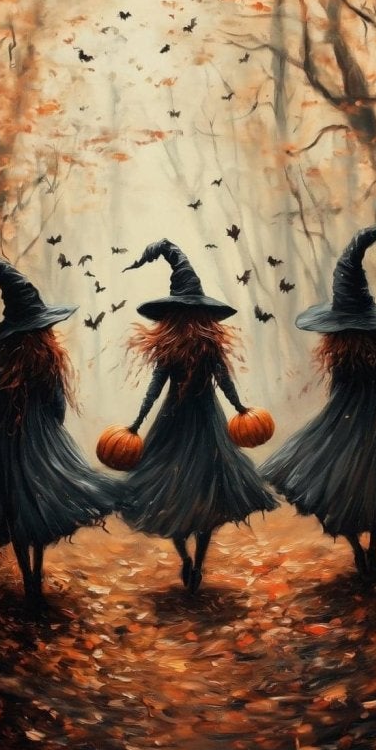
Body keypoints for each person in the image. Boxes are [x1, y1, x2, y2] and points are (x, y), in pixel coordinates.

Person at [264, 227, 376, 579]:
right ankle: (370, 548)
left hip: (359, 421)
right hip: (375, 419)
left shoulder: (344, 352)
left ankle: (363, 549)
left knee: (351, 484)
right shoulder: (369, 349)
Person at [0, 253, 119, 604]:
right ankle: (35, 571)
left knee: (12, 506)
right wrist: (53, 431)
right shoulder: (48, 357)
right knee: (37, 503)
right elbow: (57, 401)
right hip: (39, 436)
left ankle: (28, 578)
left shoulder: (4, 356)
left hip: (2, 437)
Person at [111, 238, 275, 590]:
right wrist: (238, 407)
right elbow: (221, 383)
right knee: (202, 492)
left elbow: (160, 389)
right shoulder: (200, 346)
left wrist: (139, 423)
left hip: (180, 422)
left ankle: (189, 559)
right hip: (200, 421)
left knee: (179, 491)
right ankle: (194, 561)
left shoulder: (179, 348)